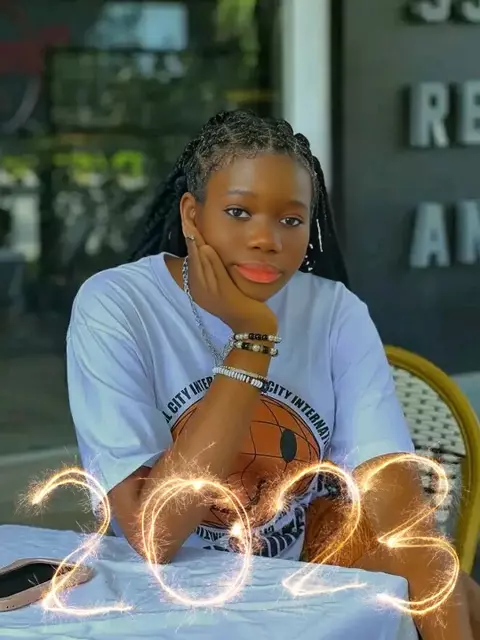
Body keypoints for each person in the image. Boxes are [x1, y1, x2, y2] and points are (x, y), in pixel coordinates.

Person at [66, 110, 475, 639]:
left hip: (298, 588)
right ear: (192, 216)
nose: (267, 239)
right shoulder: (117, 306)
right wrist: (253, 341)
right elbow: (155, 535)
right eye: (239, 212)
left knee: (436, 568)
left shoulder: (335, 312)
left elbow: (398, 508)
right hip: (161, 603)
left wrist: (431, 572)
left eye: (291, 220)